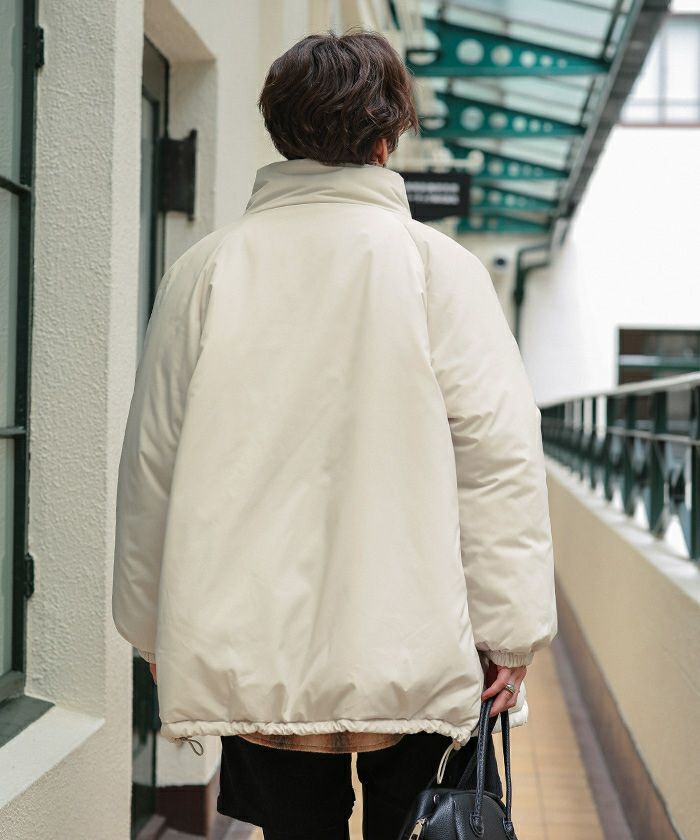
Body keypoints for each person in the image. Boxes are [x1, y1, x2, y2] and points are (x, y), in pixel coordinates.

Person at [112, 27, 557, 840]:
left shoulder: (205, 269)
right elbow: (497, 459)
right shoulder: (439, 269)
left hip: (255, 645)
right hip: (419, 640)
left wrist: (150, 624)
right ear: (387, 140)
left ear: (281, 133)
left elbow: (154, 462)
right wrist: (511, 630)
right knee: (418, 826)